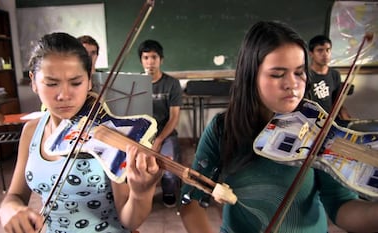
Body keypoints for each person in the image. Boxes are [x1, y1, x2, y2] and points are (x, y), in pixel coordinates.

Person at [179, 21, 378, 233]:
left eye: (299, 72)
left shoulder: (318, 129)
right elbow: (190, 202)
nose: (292, 84)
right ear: (251, 76)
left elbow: (341, 204)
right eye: (277, 74)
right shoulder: (223, 128)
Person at [0, 32, 161, 233]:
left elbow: (130, 221)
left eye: (76, 83)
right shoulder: (32, 131)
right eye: (51, 83)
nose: (64, 95)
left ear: (89, 81)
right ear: (33, 81)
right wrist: (9, 209)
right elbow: (14, 195)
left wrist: (141, 194)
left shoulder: (108, 133)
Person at [137, 39, 183, 208]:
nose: (150, 62)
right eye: (146, 57)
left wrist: (159, 140)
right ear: (141, 61)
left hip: (165, 133)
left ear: (161, 60)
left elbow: (174, 117)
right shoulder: (135, 84)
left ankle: (169, 192)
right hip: (141, 134)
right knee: (132, 167)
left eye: (154, 57)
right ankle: (140, 196)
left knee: (169, 171)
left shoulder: (172, 84)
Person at [308, 35, 351, 121]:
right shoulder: (305, 74)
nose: (325, 54)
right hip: (311, 120)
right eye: (320, 50)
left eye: (328, 50)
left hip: (330, 120)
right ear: (311, 54)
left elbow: (337, 102)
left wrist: (345, 118)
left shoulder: (335, 74)